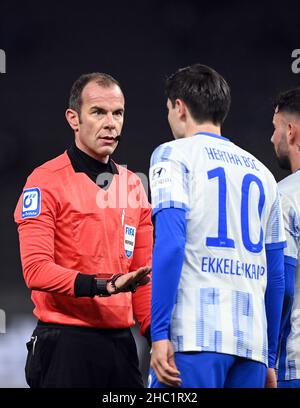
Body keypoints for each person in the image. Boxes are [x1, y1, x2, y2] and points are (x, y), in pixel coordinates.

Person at [148, 64, 286, 388]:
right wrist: (269, 358)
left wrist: (158, 333)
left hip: (193, 338)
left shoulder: (172, 155)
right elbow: (278, 278)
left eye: (168, 109)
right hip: (250, 346)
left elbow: (170, 244)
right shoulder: (264, 174)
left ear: (179, 108)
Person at [14, 72, 153, 388]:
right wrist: (106, 285)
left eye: (117, 113)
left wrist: (157, 338)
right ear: (73, 119)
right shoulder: (44, 180)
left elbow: (146, 275)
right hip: (66, 342)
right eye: (98, 112)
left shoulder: (133, 185)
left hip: (122, 345)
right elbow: (36, 270)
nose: (111, 123)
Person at [271, 87, 300, 388]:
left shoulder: (285, 196)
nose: (272, 138)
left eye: (275, 128)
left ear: (290, 131)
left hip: (295, 363)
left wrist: (269, 358)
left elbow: (283, 289)